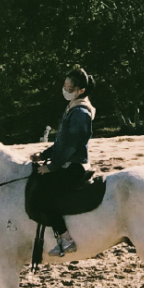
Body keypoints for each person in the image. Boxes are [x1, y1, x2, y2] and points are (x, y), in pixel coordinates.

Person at [30, 67, 96, 256]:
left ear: (81, 90)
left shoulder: (81, 112)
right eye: (65, 86)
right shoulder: (72, 108)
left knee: (44, 197)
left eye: (69, 87)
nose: (65, 90)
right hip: (66, 163)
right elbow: (61, 142)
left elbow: (71, 147)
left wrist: (51, 167)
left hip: (74, 167)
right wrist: (43, 156)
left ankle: (66, 239)